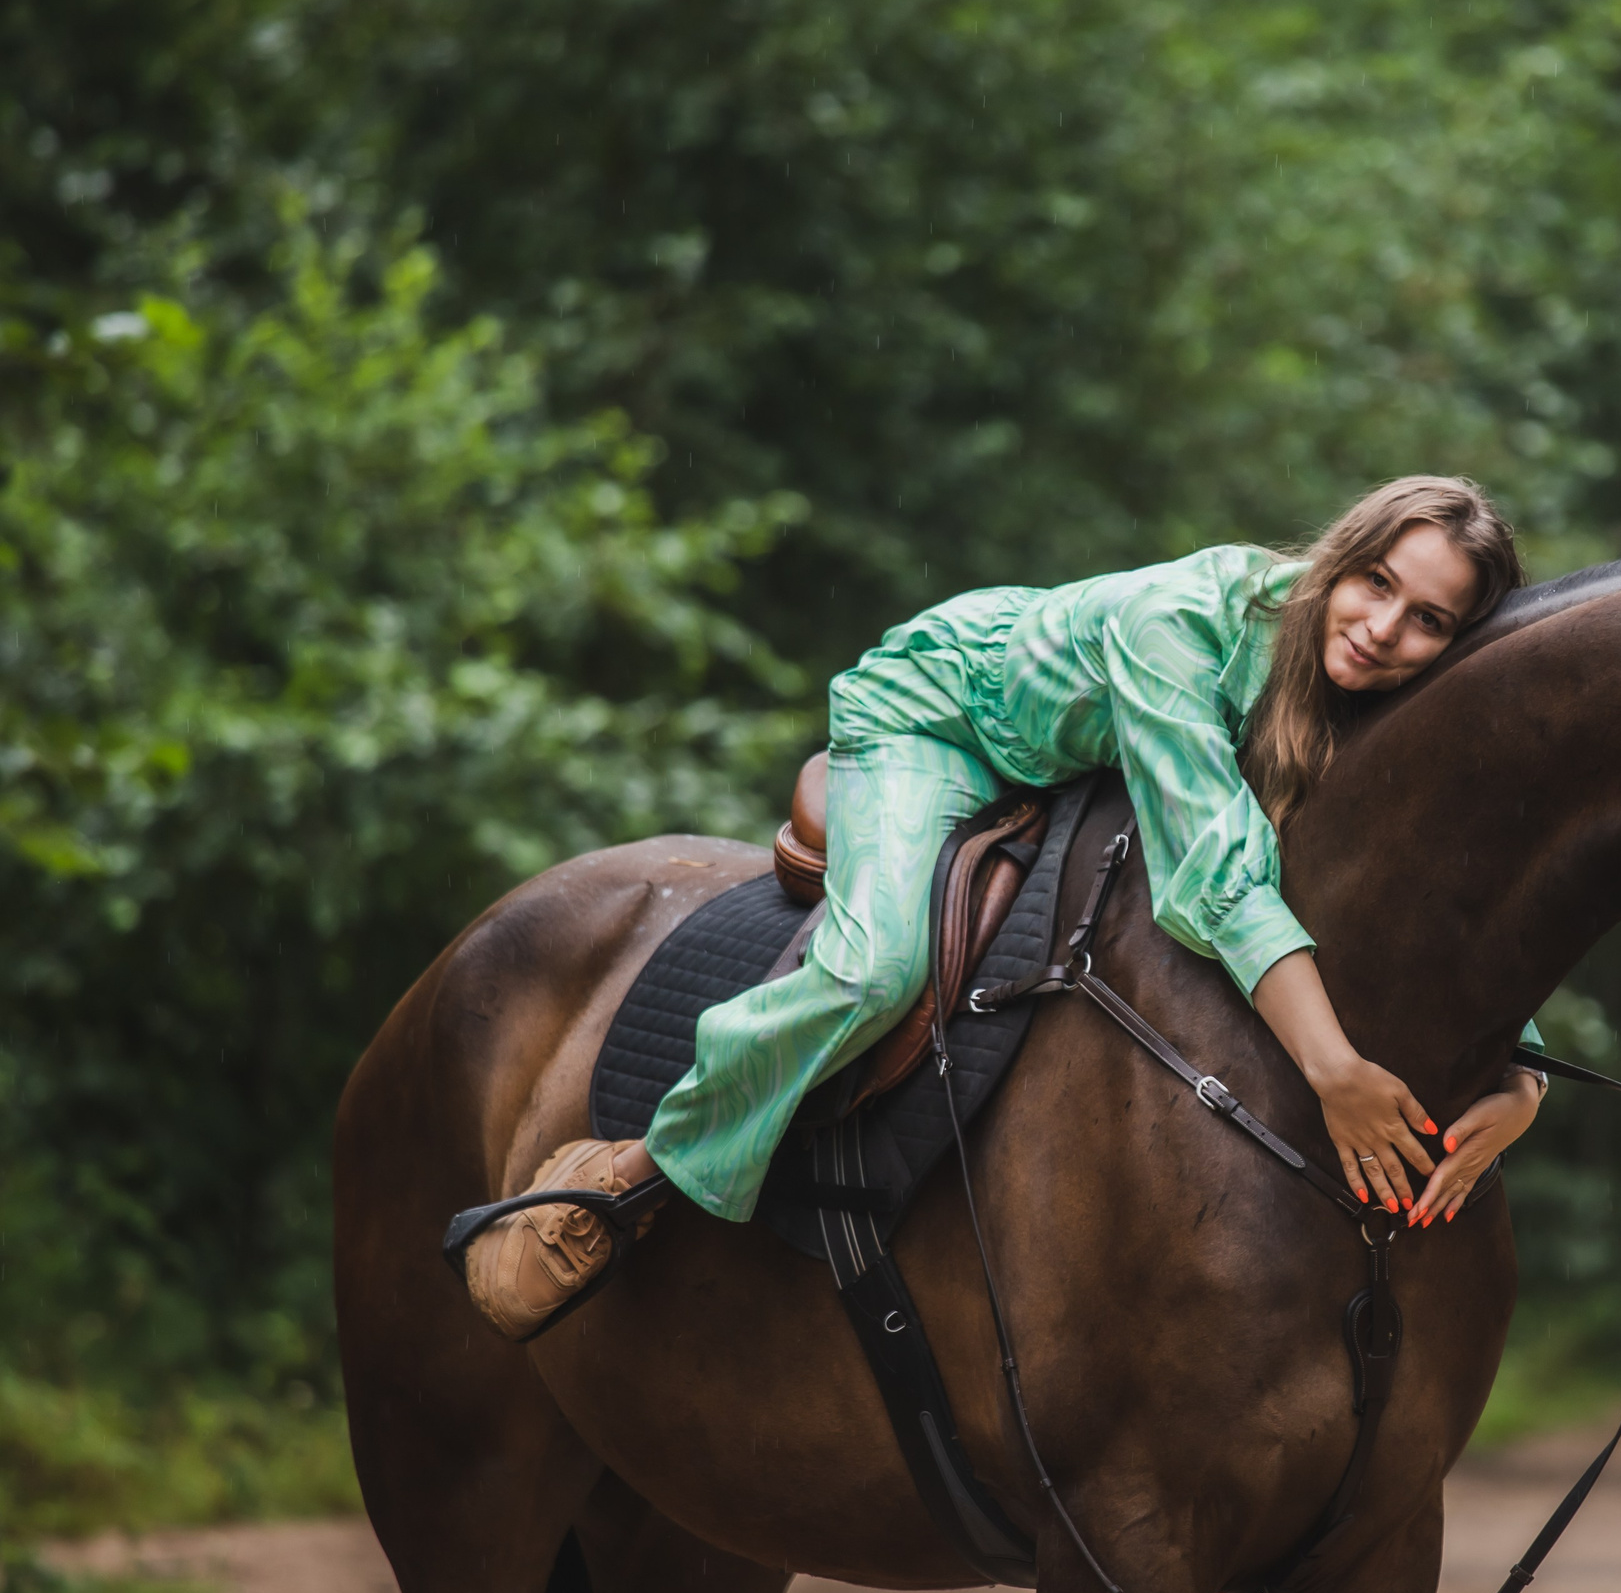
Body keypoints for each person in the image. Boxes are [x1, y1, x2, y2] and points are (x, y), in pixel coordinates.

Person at [468, 476, 1550, 1339]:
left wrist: (1521, 1074)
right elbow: (1215, 876)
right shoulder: (1179, 622)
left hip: (1090, 758)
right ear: (1338, 556)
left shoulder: (1361, 690)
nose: (1380, 629)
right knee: (873, 970)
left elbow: (1396, 898)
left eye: (1427, 622)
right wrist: (1331, 1070)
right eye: (1373, 583)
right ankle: (631, 1169)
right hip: (943, 725)